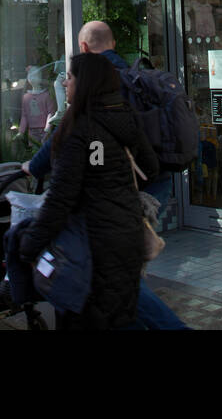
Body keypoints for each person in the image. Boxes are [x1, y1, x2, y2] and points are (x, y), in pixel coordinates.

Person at [24, 20, 190, 330]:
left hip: (124, 197)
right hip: (153, 185)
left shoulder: (98, 83)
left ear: (84, 47)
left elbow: (72, 132)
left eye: (69, 78)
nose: (66, 83)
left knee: (115, 278)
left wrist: (34, 166)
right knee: (118, 277)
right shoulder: (133, 76)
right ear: (112, 43)